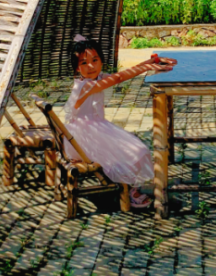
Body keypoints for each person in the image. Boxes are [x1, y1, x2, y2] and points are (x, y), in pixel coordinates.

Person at [63, 34, 176, 209]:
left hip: (93, 129)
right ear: (77, 69)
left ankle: (131, 187)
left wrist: (148, 62)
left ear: (102, 61)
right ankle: (131, 191)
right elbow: (118, 79)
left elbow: (122, 74)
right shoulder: (84, 85)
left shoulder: (96, 79)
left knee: (133, 149)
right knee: (133, 151)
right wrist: (149, 66)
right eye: (84, 63)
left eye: (95, 59)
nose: (91, 66)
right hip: (82, 139)